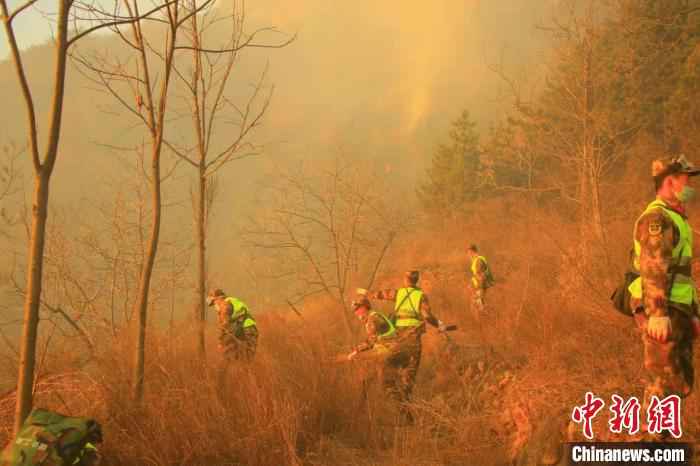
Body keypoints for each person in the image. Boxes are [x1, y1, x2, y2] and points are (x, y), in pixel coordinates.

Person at [627, 154, 700, 435]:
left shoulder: (676, 217)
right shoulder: (656, 218)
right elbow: (654, 268)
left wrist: (692, 314)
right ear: (670, 181)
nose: (690, 184)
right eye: (686, 179)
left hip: (678, 313)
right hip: (663, 313)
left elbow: (681, 275)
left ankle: (665, 444)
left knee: (678, 382)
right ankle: (651, 447)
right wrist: (657, 315)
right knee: (661, 384)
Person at [369, 270, 447, 423]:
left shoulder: (398, 293)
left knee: (388, 376)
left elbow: (381, 294)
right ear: (416, 281)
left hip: (398, 343)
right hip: (412, 344)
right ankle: (408, 417)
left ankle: (401, 411)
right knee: (408, 382)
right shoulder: (421, 296)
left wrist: (370, 294)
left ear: (405, 280)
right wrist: (440, 325)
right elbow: (427, 316)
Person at [207, 288, 258, 364]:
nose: (214, 306)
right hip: (249, 328)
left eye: (214, 303)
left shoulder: (224, 305)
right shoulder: (231, 300)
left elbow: (225, 325)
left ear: (218, 299)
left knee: (230, 356)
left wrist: (220, 340)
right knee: (247, 357)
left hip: (244, 329)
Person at [466, 244, 494, 314]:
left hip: (482, 287)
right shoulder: (476, 261)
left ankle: (486, 319)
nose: (468, 255)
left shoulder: (478, 261)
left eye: (469, 253)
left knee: (477, 306)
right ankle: (484, 317)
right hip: (479, 287)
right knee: (477, 305)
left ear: (472, 252)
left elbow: (481, 276)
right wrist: (471, 284)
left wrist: (480, 289)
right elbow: (476, 276)